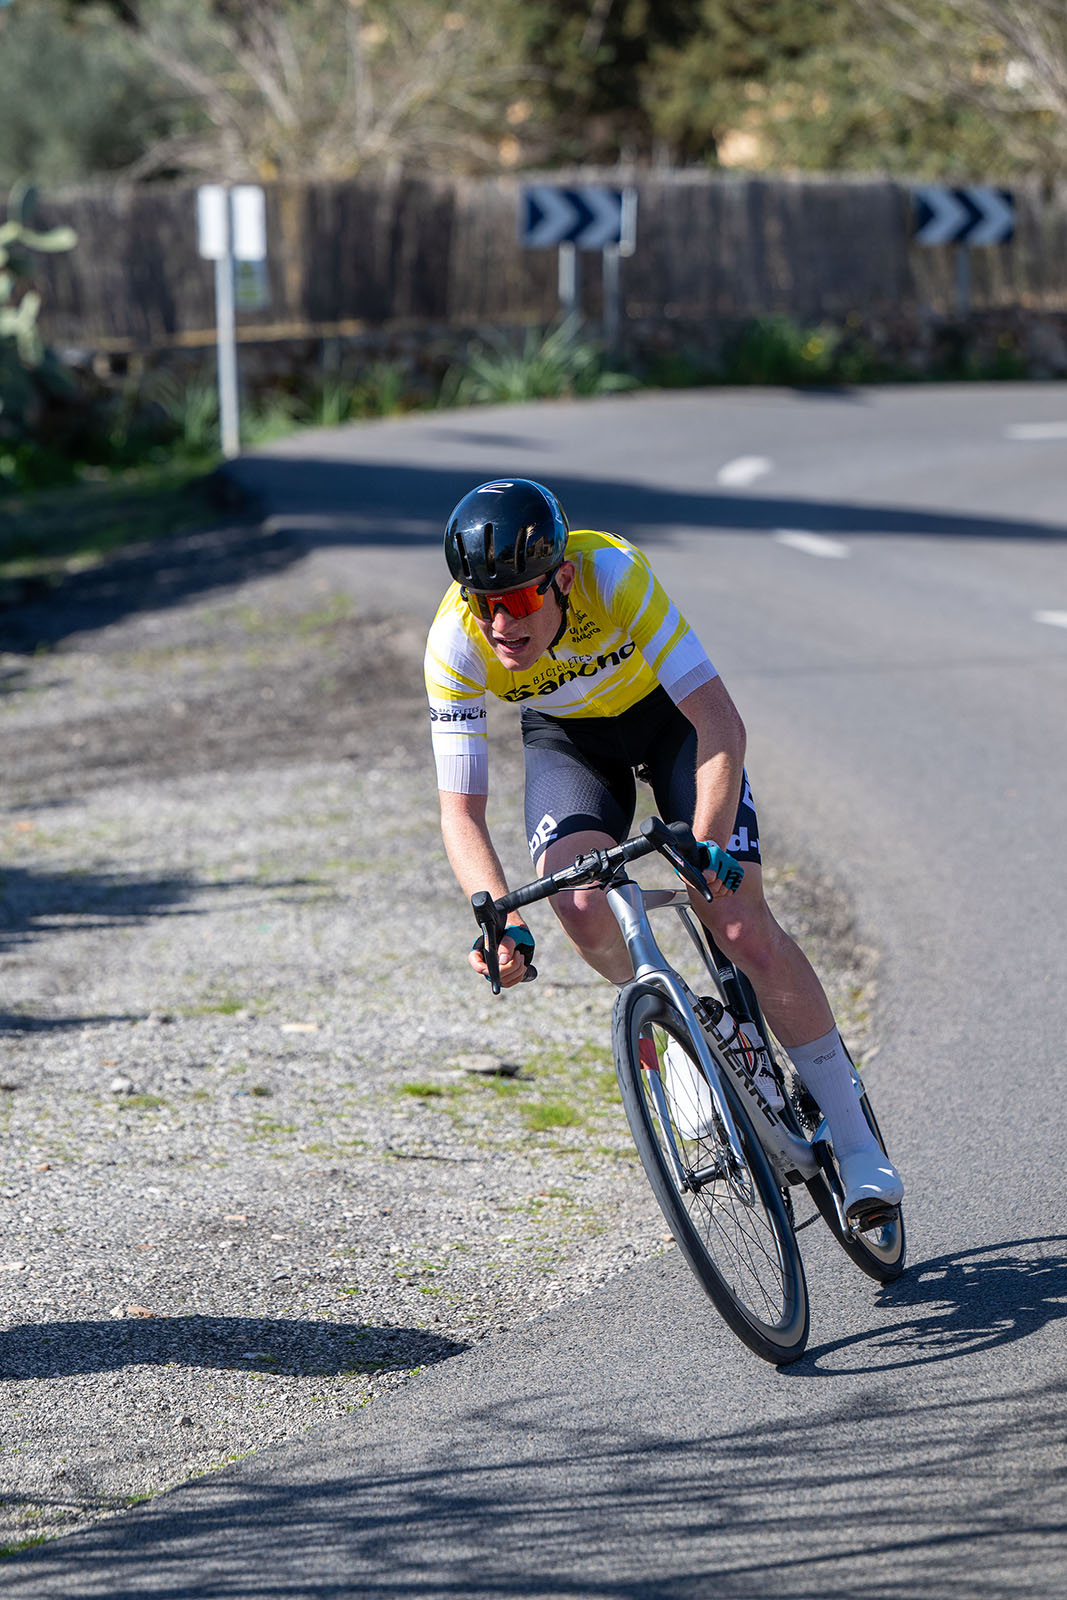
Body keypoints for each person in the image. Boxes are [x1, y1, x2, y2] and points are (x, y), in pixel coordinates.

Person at [424, 478, 903, 1225]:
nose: (497, 624)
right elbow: (460, 811)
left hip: (674, 725)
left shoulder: (613, 575)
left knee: (738, 922)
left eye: (516, 601)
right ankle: (678, 1033)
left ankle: (852, 1133)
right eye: (481, 603)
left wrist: (706, 850)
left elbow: (719, 723)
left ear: (563, 579)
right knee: (576, 903)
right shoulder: (455, 641)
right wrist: (496, 923)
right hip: (570, 743)